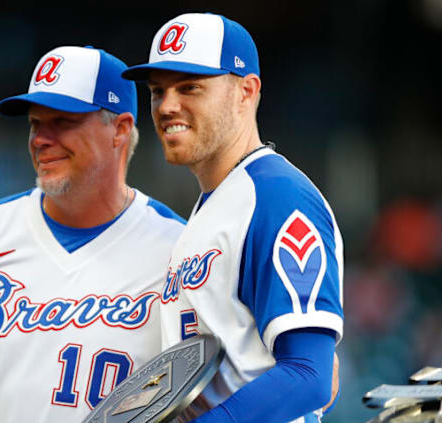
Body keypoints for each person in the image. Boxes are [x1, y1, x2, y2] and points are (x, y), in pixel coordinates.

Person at [0, 46, 185, 423]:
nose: (41, 139)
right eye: (35, 123)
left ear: (120, 130)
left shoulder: (180, 251)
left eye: (62, 121)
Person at [122, 13, 344, 423]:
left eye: (190, 87)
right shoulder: (215, 205)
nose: (167, 106)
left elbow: (309, 375)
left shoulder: (277, 196)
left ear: (246, 91)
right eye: (157, 91)